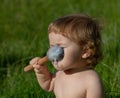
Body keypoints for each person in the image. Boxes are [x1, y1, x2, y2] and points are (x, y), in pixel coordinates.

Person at [29, 14, 104, 98]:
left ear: (85, 51)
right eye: (52, 46)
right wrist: (41, 71)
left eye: (60, 47)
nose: (52, 52)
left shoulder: (90, 80)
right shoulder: (60, 74)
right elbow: (48, 85)